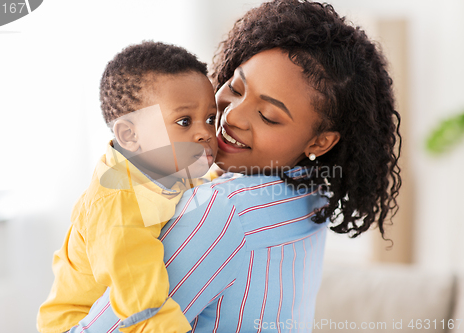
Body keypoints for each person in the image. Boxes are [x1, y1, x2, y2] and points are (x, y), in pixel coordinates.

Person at [66, 0, 402, 332]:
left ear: (319, 142)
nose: (231, 116)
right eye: (236, 88)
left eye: (269, 116)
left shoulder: (222, 210)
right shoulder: (311, 190)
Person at [37, 41, 219, 333]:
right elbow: (139, 298)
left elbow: (201, 194)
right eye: (184, 121)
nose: (205, 133)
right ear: (130, 135)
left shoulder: (169, 163)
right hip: (76, 324)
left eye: (210, 119)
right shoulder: (117, 200)